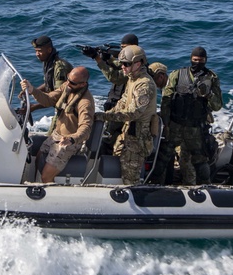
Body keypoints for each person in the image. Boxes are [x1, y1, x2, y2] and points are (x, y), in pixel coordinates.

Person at [159, 47, 223, 185]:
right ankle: (155, 183)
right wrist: (166, 124)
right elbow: (166, 101)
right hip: (176, 125)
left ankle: (205, 187)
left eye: (201, 61)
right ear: (190, 59)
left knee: (200, 161)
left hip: (196, 129)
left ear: (205, 61)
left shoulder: (211, 78)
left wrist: (208, 94)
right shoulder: (177, 75)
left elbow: (217, 106)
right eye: (195, 60)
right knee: (163, 157)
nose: (197, 63)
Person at [20, 67, 95, 183]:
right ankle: (35, 187)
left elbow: (86, 128)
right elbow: (49, 99)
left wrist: (71, 139)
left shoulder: (85, 103)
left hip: (68, 142)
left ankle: (49, 196)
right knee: (38, 158)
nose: (68, 84)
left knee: (46, 176)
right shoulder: (67, 86)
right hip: (56, 135)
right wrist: (32, 90)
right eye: (68, 80)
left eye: (73, 83)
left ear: (83, 84)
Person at [95, 45, 157, 186]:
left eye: (126, 64)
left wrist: (105, 117)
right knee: (115, 168)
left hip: (138, 138)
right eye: (122, 63)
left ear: (138, 63)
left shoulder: (144, 85)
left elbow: (133, 113)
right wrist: (106, 114)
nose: (122, 67)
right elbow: (123, 102)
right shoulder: (132, 79)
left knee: (130, 179)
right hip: (127, 134)